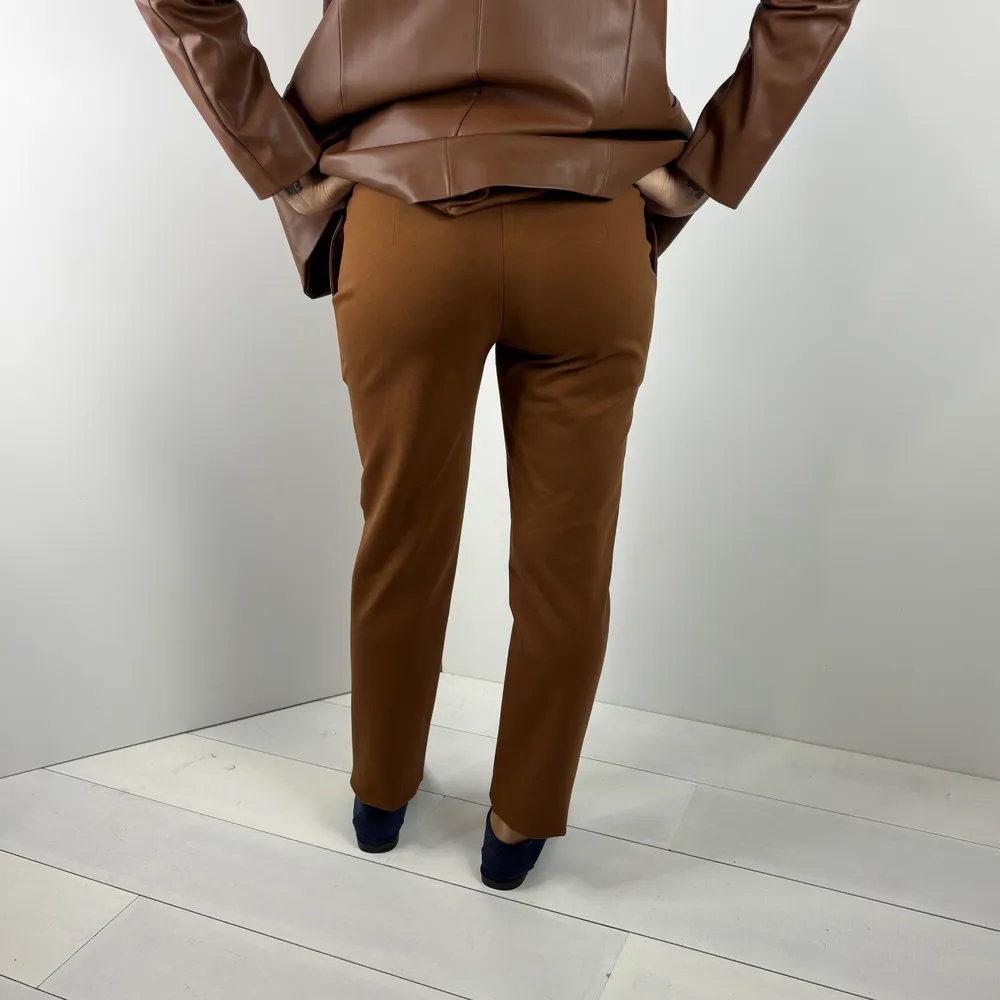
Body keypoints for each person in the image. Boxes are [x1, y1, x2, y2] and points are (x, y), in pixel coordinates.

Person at [136, 0, 860, 890]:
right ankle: (519, 823)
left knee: (401, 534)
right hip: (589, 223)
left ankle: (380, 795)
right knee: (567, 564)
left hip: (402, 220)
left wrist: (283, 163)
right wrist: (706, 167)